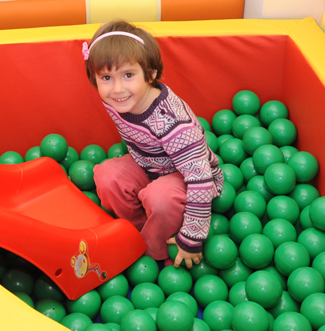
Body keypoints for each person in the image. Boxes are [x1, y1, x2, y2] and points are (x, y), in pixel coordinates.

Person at [83, 21, 224, 268]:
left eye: (128, 75)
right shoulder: (116, 100)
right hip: (149, 168)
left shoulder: (173, 123)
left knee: (159, 197)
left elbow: (200, 179)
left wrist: (192, 237)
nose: (117, 88)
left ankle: (156, 252)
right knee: (107, 176)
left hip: (192, 178)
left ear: (150, 74)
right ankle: (136, 232)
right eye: (106, 77)